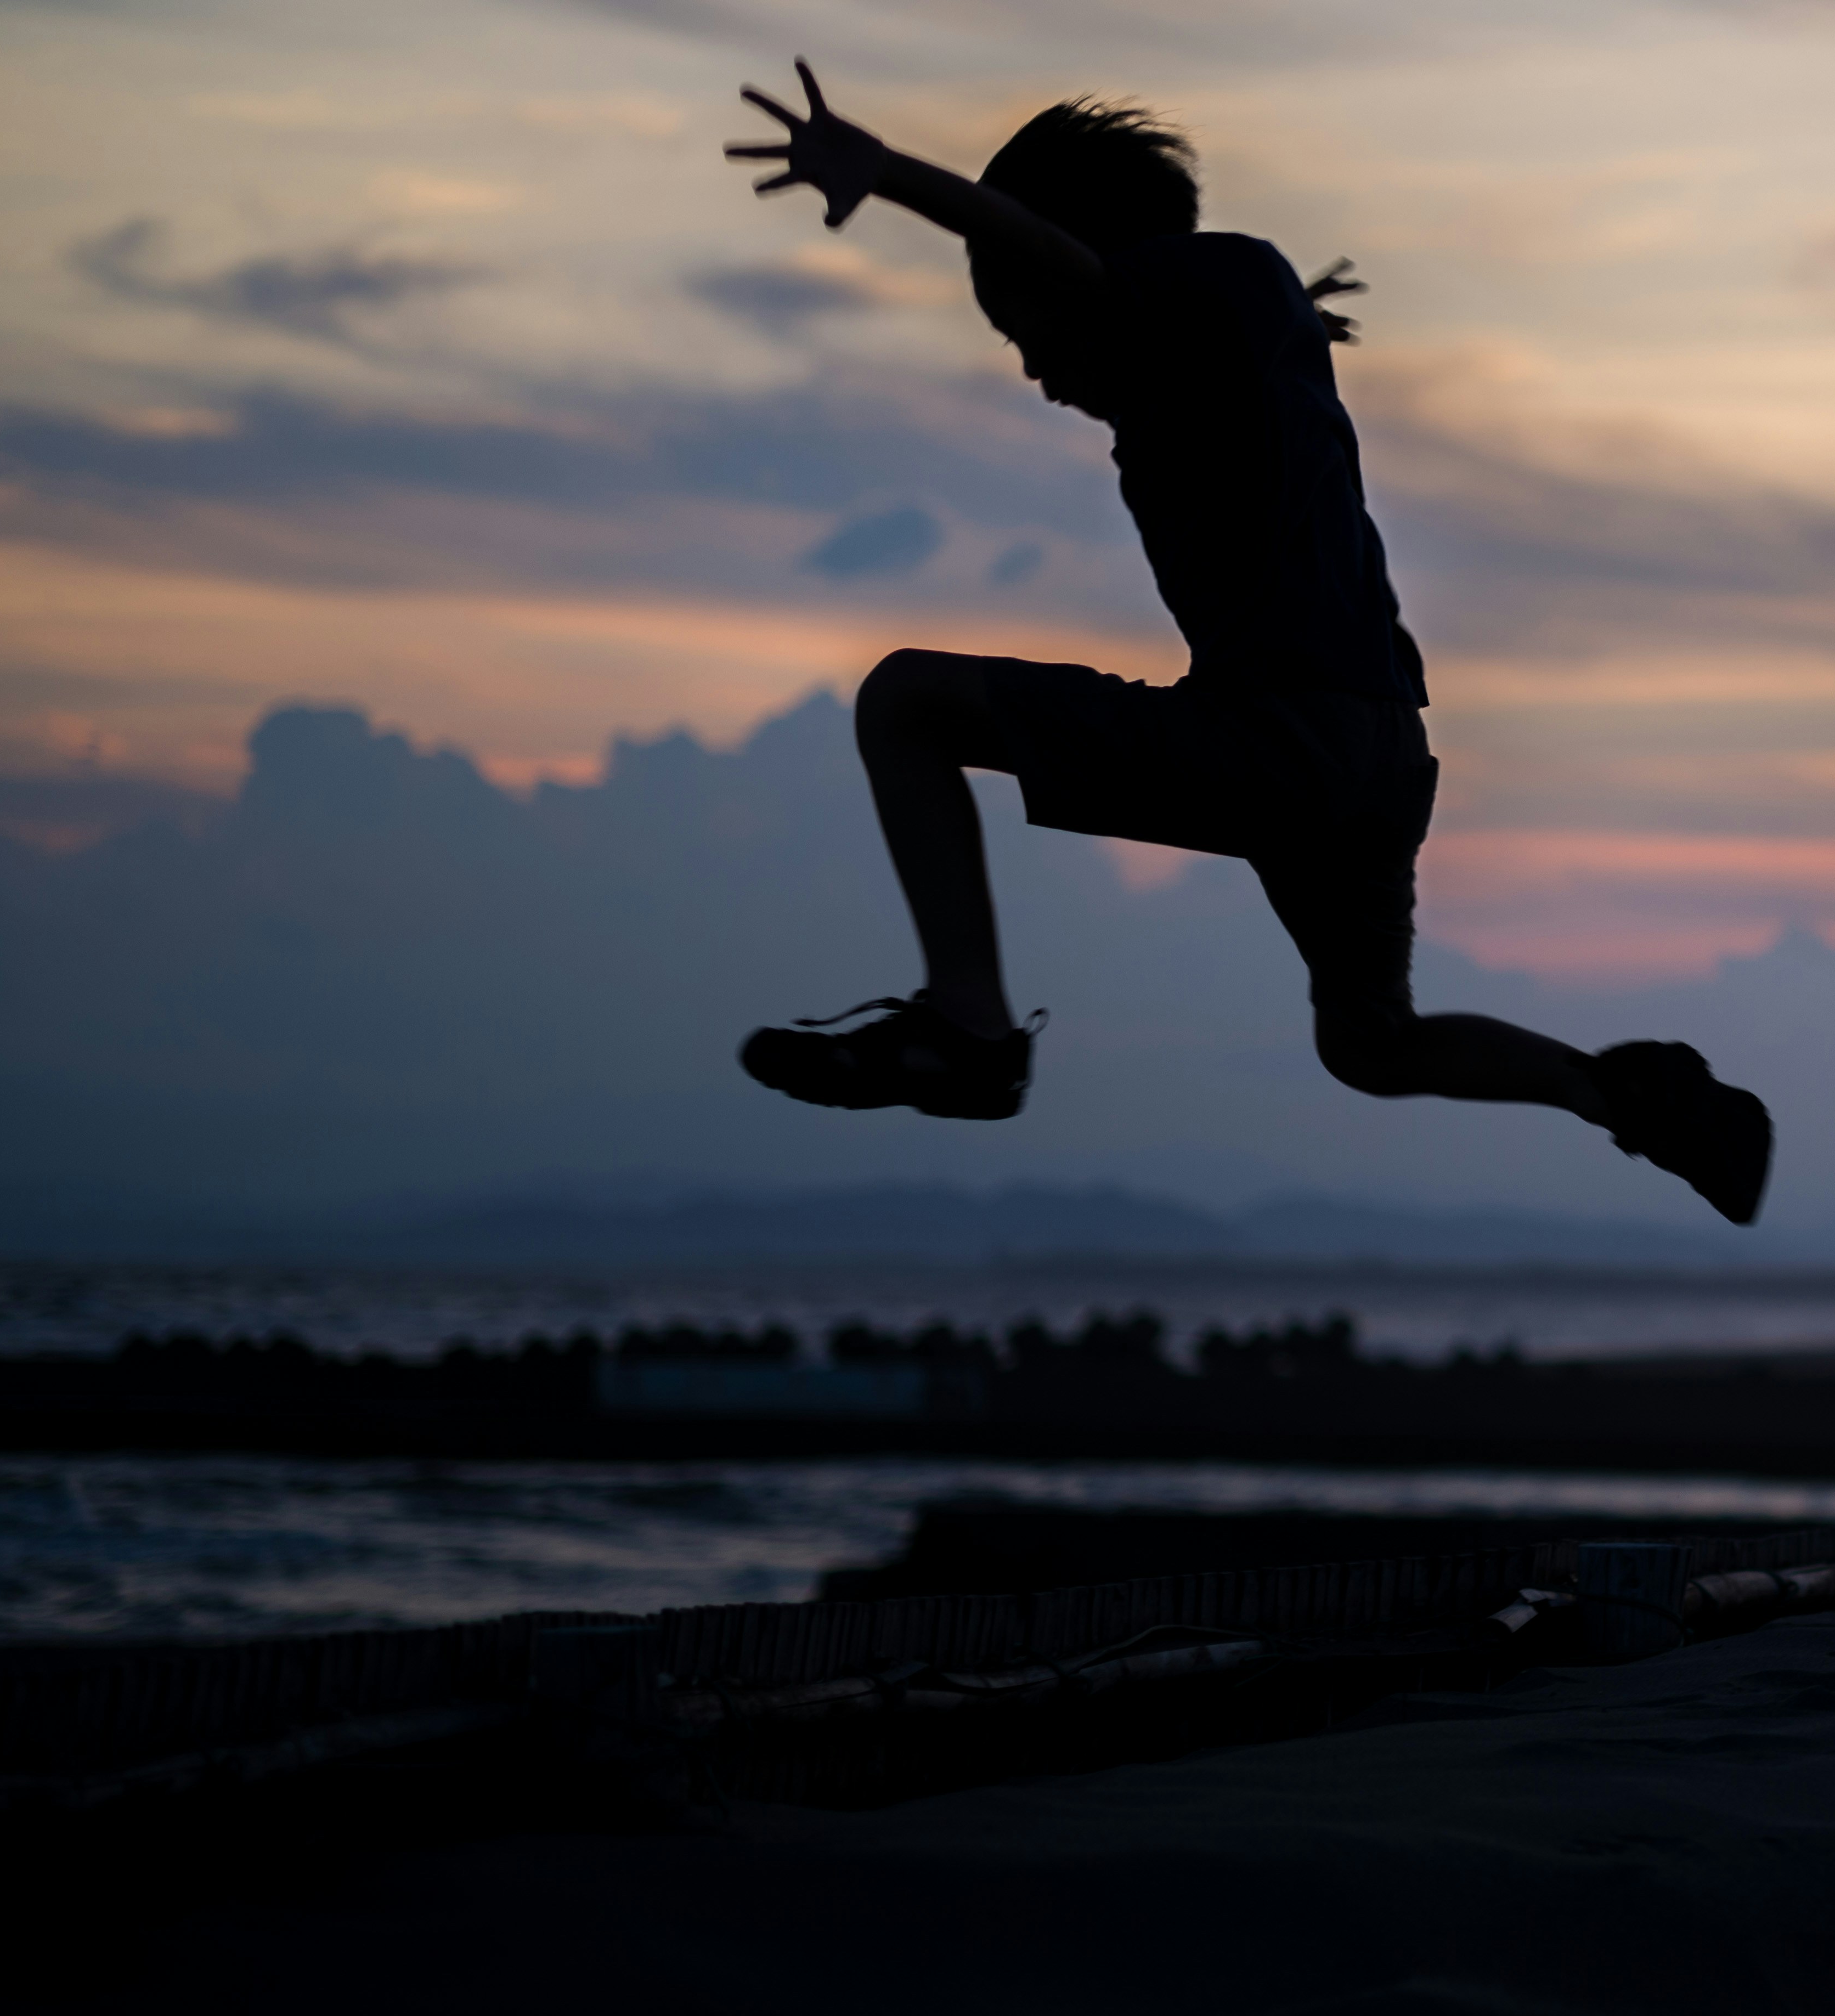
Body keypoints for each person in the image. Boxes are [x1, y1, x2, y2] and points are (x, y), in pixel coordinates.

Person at [716, 63, 1770, 1223]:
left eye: (1025, 329)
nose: (1032, 366)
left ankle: (968, 1028)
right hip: (1379, 757)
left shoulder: (1186, 293)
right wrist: (1300, 312)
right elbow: (1200, 310)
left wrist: (896, 176)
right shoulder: (1234, 328)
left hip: (1280, 737)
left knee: (905, 700)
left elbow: (1071, 261)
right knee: (1373, 1045)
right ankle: (1633, 1097)